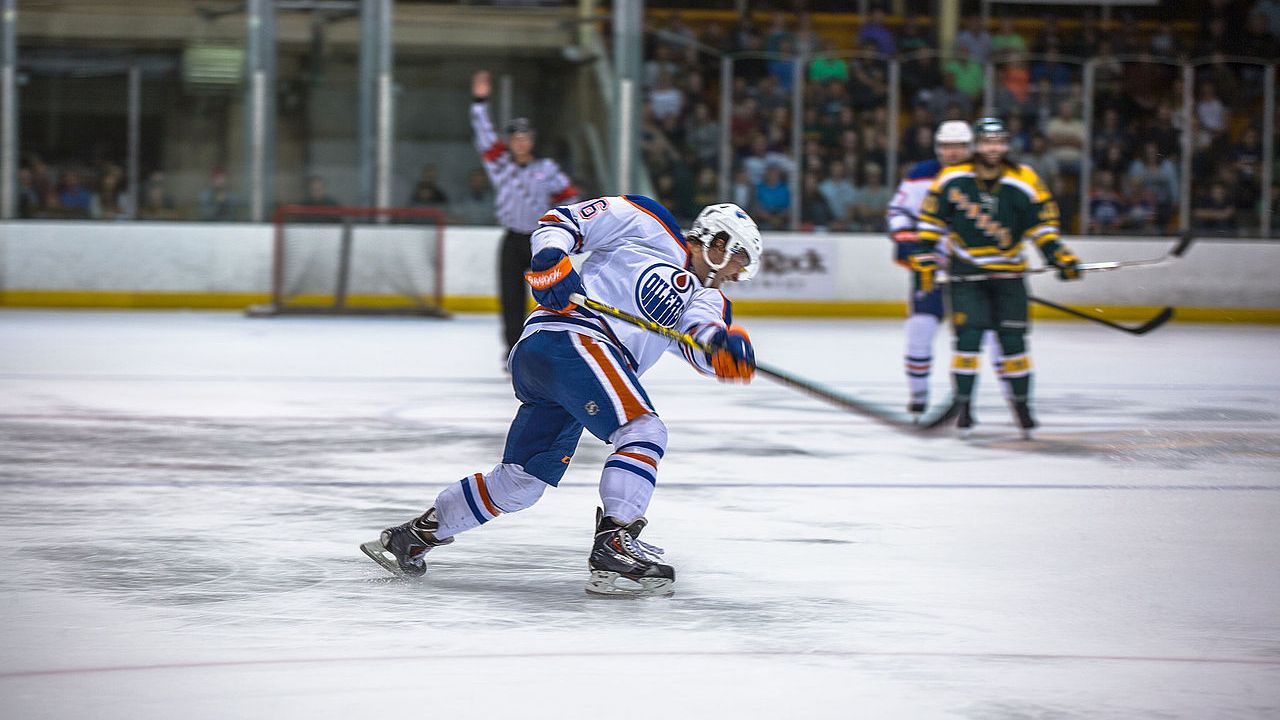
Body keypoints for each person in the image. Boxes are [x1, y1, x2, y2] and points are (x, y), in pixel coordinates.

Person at [362, 197, 763, 597]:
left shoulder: (708, 297)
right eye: (738, 257)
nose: (736, 271)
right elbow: (561, 221)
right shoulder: (648, 220)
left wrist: (723, 351)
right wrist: (553, 258)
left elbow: (700, 339)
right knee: (643, 430)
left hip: (569, 368)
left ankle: (412, 538)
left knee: (521, 482)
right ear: (719, 241)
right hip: (572, 338)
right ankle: (615, 545)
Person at [911, 118, 1081, 438]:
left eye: (999, 141)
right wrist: (924, 262)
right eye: (987, 142)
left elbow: (1042, 225)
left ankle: (1022, 407)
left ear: (1006, 145)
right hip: (967, 272)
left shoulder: (1024, 179)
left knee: (1014, 344)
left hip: (1009, 273)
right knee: (968, 342)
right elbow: (930, 223)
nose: (993, 148)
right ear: (976, 145)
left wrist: (1058, 255)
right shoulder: (952, 178)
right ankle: (964, 408)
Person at [887, 120, 1006, 419]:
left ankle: (988, 399)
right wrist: (910, 245)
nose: (952, 153)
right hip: (931, 268)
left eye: (959, 147)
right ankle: (918, 397)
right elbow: (898, 212)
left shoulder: (987, 176)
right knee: (920, 328)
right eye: (946, 146)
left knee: (986, 336)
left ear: (971, 148)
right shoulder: (920, 175)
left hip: (977, 271)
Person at [470, 70, 579, 357]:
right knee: (511, 298)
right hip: (512, 238)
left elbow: (570, 197)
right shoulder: (500, 165)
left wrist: (568, 230)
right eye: (515, 137)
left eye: (525, 137)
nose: (520, 142)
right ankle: (513, 349)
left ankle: (555, 346)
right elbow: (483, 137)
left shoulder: (546, 169)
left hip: (540, 240)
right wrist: (479, 101)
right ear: (510, 141)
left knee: (553, 294)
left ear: (531, 140)